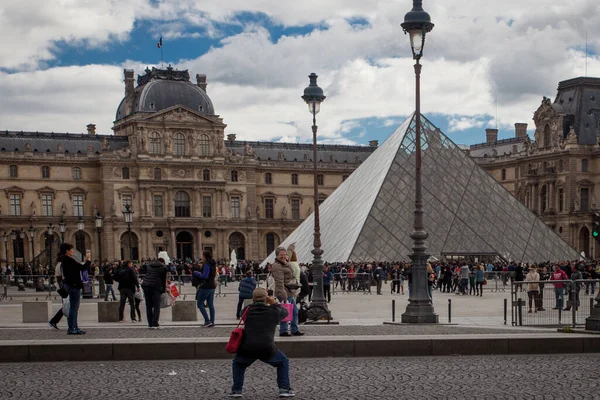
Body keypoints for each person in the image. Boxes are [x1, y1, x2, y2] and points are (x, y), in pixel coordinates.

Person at [229, 288, 295, 398]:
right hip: (267, 347)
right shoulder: (273, 312)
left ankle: (236, 390)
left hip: (247, 347)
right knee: (283, 361)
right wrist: (275, 303)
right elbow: (285, 313)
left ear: (253, 299)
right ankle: (284, 389)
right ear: (267, 299)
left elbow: (243, 316)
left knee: (238, 363)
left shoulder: (246, 310)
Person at [60, 243, 92, 335]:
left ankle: (74, 326)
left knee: (73, 307)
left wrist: (85, 261)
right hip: (74, 285)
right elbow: (82, 268)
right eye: (71, 249)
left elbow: (77, 267)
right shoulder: (69, 260)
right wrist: (88, 261)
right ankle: (72, 327)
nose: (73, 251)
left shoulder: (65, 260)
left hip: (70, 284)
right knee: (74, 308)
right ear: (67, 251)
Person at [272, 246, 303, 337]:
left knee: (294, 311)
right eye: (281, 255)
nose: (283, 256)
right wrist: (283, 294)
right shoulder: (277, 266)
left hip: (289, 291)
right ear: (277, 255)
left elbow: (292, 273)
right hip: (283, 292)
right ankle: (284, 331)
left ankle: (294, 329)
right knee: (287, 311)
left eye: (285, 254)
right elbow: (279, 281)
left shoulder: (284, 263)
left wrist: (287, 263)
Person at [141, 257, 167, 329]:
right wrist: (163, 290)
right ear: (163, 262)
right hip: (155, 286)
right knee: (156, 305)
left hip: (145, 285)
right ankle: (155, 323)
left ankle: (150, 323)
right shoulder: (163, 268)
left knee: (148, 305)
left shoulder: (149, 266)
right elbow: (163, 280)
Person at [194, 250, 217, 327]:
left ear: (204, 256)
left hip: (206, 286)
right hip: (212, 286)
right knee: (210, 305)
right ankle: (212, 321)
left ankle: (207, 321)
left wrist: (197, 273)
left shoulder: (206, 264)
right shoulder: (213, 264)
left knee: (200, 304)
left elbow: (205, 276)